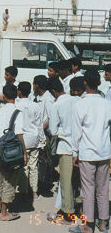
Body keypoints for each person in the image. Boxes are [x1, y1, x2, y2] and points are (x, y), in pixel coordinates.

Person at [70, 70, 111, 233]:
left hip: (87, 152)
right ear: (99, 83)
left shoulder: (80, 104)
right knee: (103, 188)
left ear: (85, 83)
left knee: (87, 189)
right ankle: (103, 222)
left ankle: (87, 225)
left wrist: (74, 152)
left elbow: (76, 131)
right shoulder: (106, 103)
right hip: (104, 151)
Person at [0, 84, 26, 221]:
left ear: (3, 96)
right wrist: (24, 152)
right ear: (17, 94)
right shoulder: (18, 112)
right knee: (10, 180)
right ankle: (4, 213)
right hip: (10, 151)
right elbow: (19, 134)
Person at [47, 78, 79, 224]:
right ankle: (74, 207)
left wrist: (64, 130)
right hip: (80, 147)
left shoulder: (57, 104)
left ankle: (68, 214)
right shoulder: (77, 100)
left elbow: (53, 131)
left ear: (53, 92)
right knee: (77, 181)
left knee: (66, 182)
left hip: (66, 147)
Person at [16, 82, 44, 200]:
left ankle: (23, 191)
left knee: (23, 166)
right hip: (34, 138)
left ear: (19, 92)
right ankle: (34, 192)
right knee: (33, 166)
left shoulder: (17, 106)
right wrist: (42, 140)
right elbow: (39, 124)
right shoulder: (36, 106)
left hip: (22, 139)